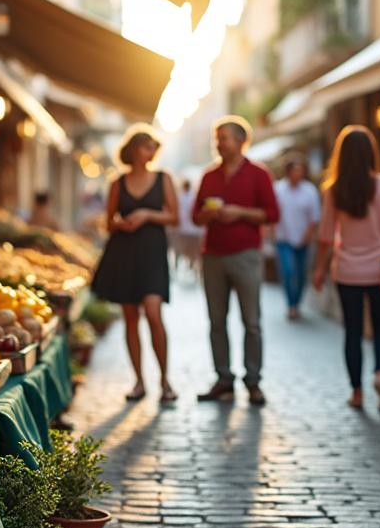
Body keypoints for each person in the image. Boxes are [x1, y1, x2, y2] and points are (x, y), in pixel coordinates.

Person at [193, 116, 280, 405]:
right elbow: (195, 216)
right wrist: (209, 214)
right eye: (216, 138)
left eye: (224, 138)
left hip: (245, 254)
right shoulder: (208, 176)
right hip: (213, 255)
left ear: (242, 141)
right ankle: (224, 379)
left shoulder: (258, 173)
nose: (219, 143)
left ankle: (253, 381)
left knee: (251, 322)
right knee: (216, 321)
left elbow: (272, 214)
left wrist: (239, 213)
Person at [90, 126, 179, 403]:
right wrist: (121, 223)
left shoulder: (163, 178)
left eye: (153, 145)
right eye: (145, 145)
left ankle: (165, 380)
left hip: (152, 252)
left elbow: (174, 217)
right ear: (133, 150)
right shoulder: (118, 182)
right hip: (124, 252)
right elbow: (108, 222)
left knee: (154, 313)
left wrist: (146, 215)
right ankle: (139, 381)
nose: (150, 150)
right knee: (130, 317)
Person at [312, 126, 380, 413]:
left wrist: (319, 270)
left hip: (347, 269)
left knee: (353, 332)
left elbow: (325, 236)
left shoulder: (334, 190)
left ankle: (357, 392)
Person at [273, 156, 320, 320]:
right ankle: (291, 304)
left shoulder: (309, 190)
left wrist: (308, 235)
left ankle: (297, 303)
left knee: (301, 274)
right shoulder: (278, 189)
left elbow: (314, 217)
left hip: (303, 239)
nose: (298, 174)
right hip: (284, 239)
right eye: (295, 171)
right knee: (288, 271)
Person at [174, 178, 203, 275]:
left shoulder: (192, 196)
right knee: (182, 250)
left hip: (192, 230)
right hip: (184, 229)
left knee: (191, 252)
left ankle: (191, 267)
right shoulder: (180, 196)